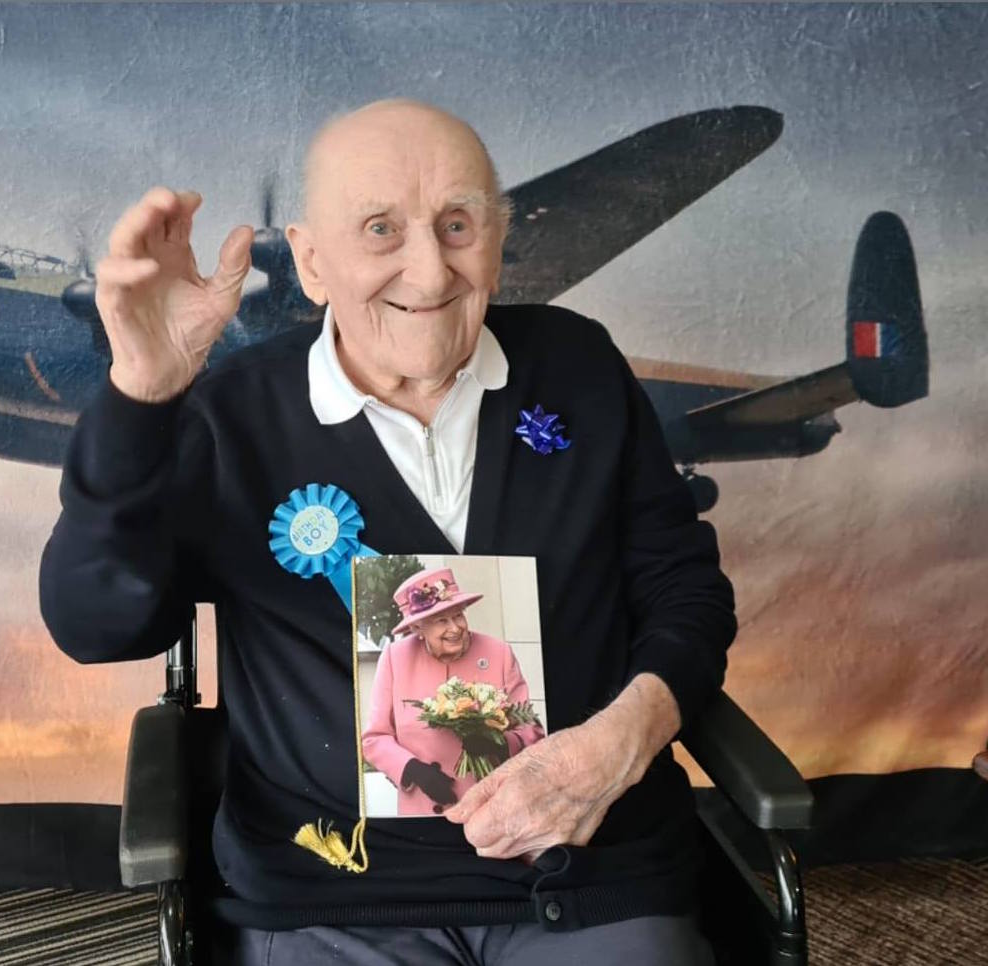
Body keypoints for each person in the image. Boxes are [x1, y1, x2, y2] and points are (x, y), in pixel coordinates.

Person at [39, 98, 734, 965]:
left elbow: (684, 590)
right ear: (310, 261)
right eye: (378, 229)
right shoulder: (234, 414)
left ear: (497, 235)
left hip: (587, 867)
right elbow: (96, 626)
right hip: (329, 892)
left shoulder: (579, 364)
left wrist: (619, 740)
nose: (428, 270)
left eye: (456, 224)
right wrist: (140, 395)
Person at [361, 566, 545, 816]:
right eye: (441, 620)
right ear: (417, 628)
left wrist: (499, 745)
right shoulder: (395, 658)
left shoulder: (498, 653)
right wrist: (413, 770)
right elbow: (375, 738)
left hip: (490, 805)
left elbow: (530, 729)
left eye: (459, 615)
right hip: (423, 808)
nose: (456, 628)